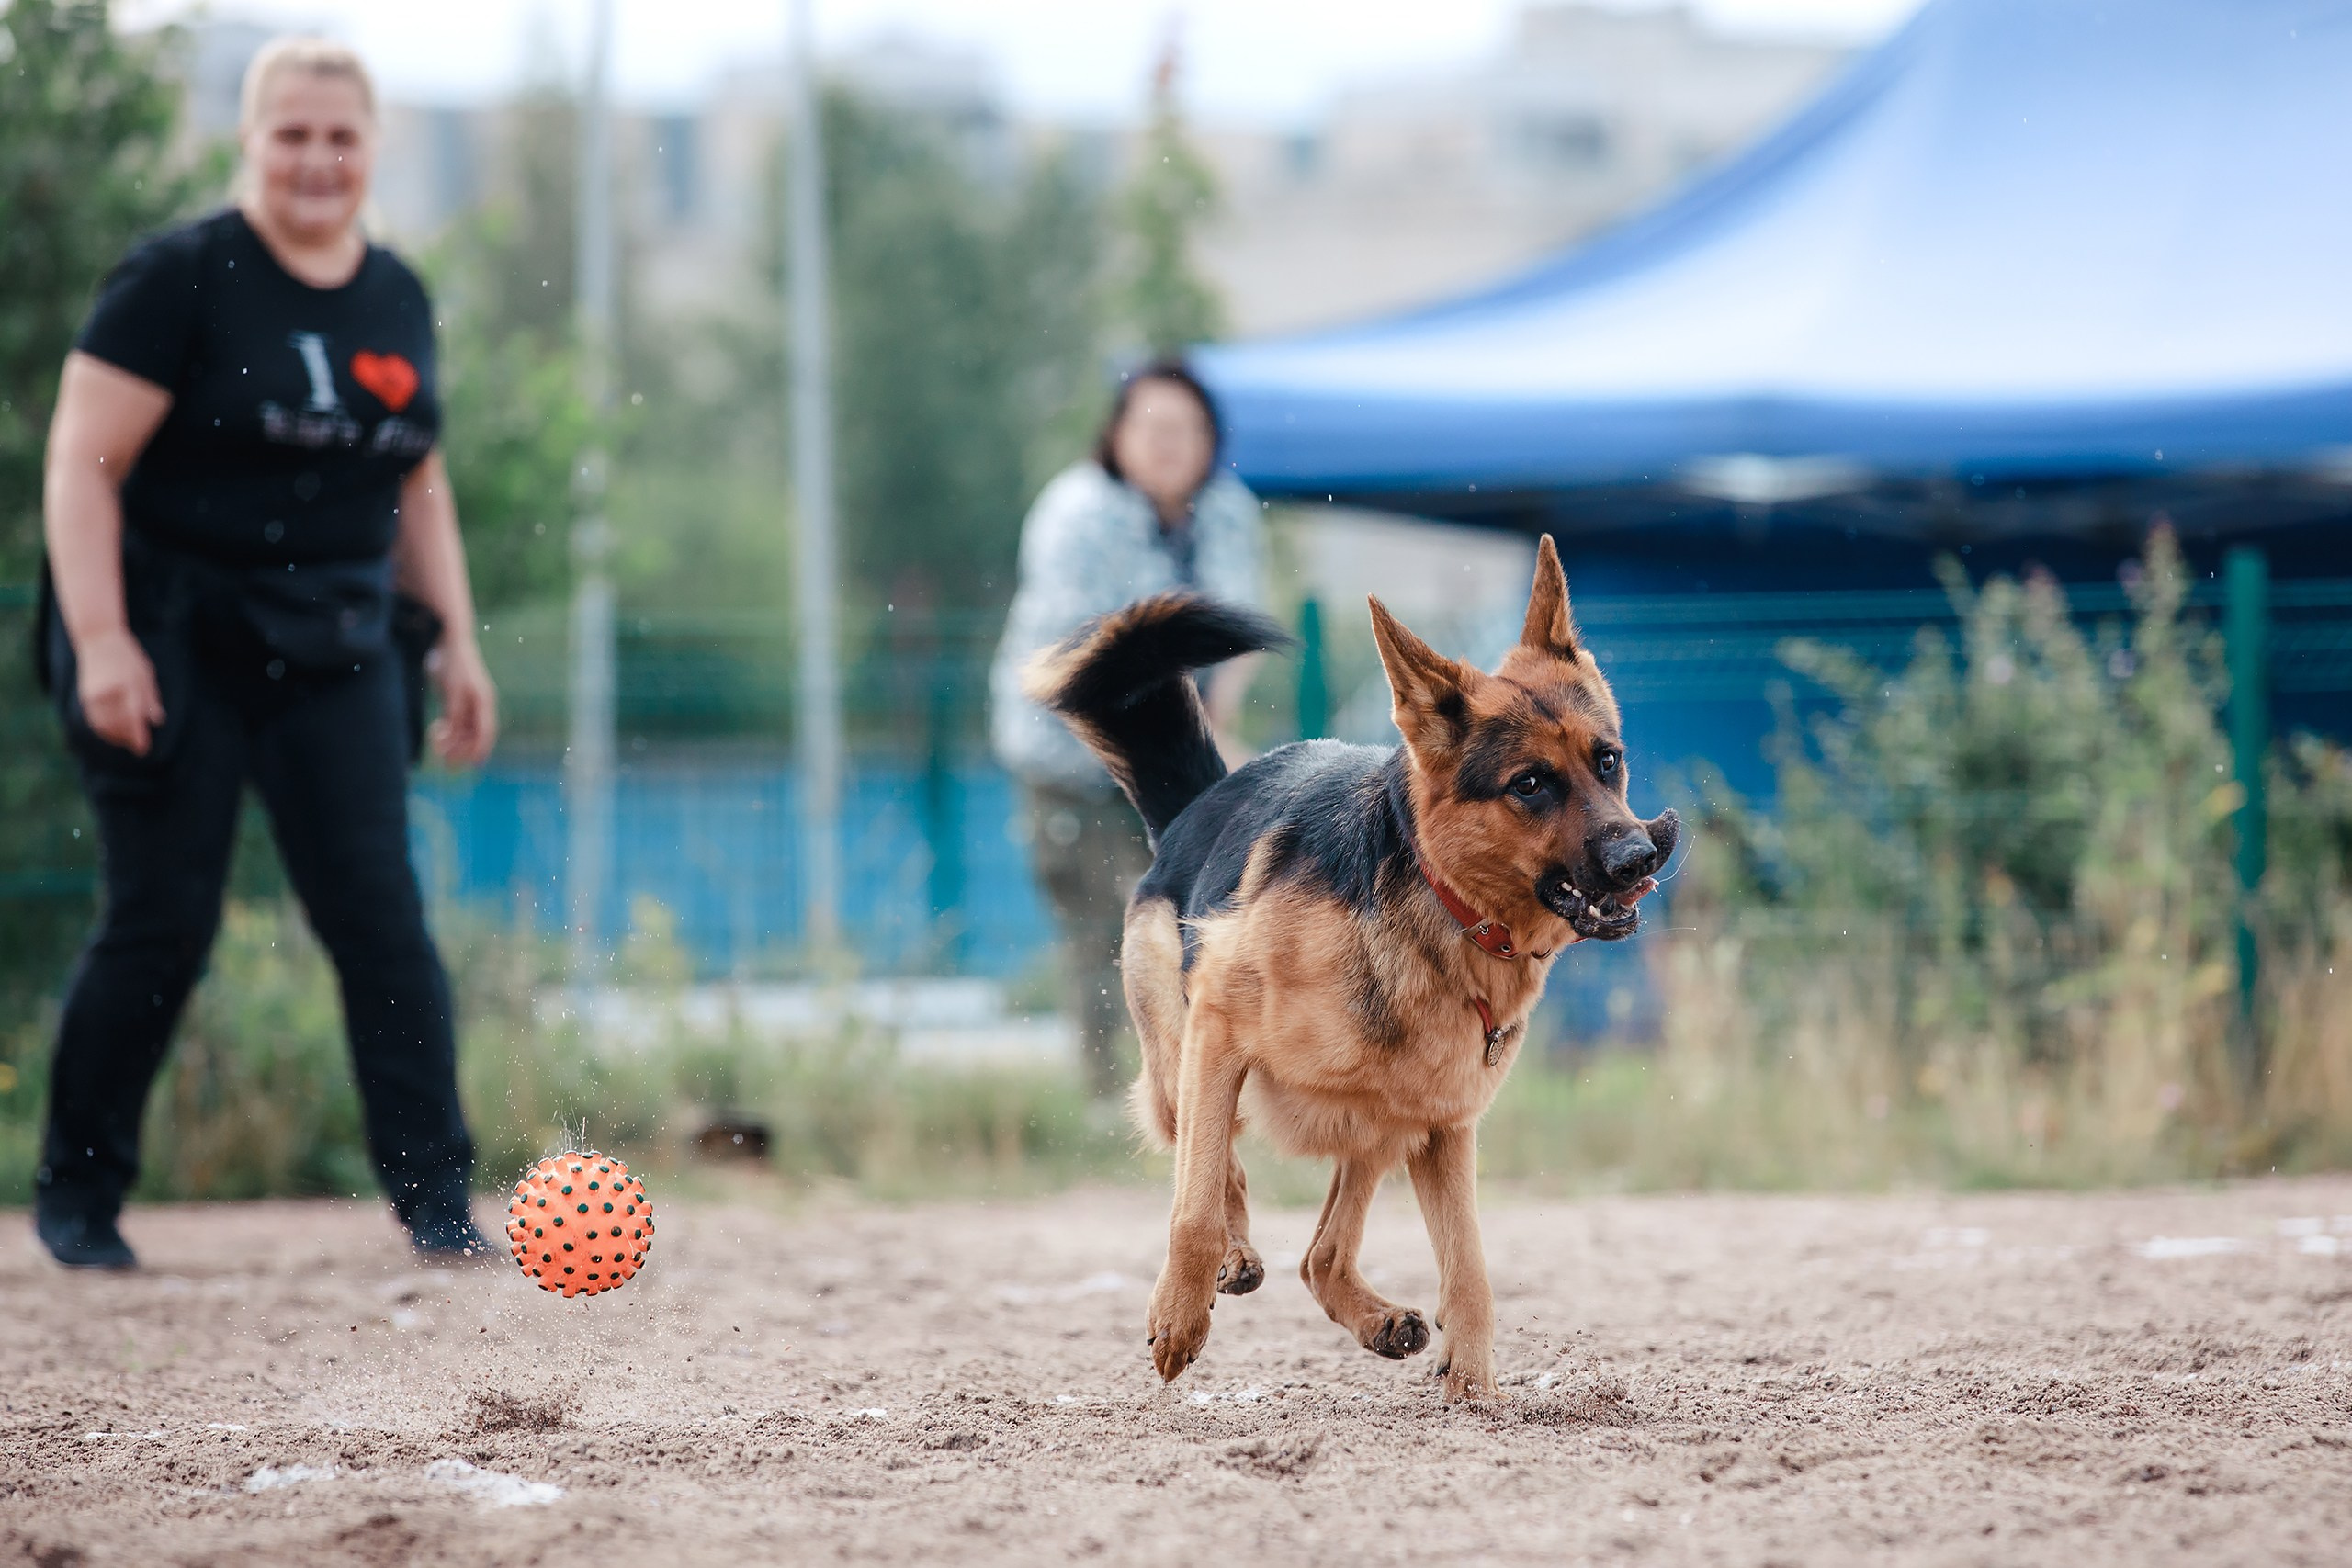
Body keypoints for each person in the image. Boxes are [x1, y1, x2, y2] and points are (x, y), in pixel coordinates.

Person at [32, 38, 498, 1268]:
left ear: (373, 148)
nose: (316, 159)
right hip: (170, 635)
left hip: (337, 638)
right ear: (251, 139)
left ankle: (437, 1201)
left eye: (341, 137)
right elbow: (81, 463)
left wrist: (455, 639)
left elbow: (419, 481)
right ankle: (78, 1200)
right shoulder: (179, 277)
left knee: (380, 916)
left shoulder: (396, 294)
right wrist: (101, 640)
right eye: (292, 133)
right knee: (163, 918)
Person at [990, 362, 1267, 1100]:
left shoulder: (1227, 509)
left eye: (1189, 428)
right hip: (1073, 758)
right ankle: (1111, 1105)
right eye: (1154, 426)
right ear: (1116, 434)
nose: (1171, 443)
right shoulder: (1079, 515)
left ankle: (1198, 1093)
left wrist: (1220, 719)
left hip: (1177, 749)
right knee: (1109, 930)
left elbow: (1241, 624)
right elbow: (1108, 662)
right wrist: (1220, 752)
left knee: (1200, 920)